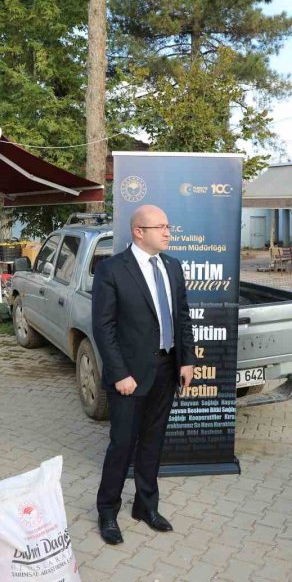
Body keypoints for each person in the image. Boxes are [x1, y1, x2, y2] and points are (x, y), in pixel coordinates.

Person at [92, 204, 195, 545]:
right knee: (122, 445)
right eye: (160, 227)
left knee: (153, 443)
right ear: (139, 231)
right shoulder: (111, 269)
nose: (168, 232)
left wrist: (187, 360)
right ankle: (107, 511)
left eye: (168, 226)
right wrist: (120, 373)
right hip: (130, 377)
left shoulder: (172, 267)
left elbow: (182, 317)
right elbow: (103, 327)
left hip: (166, 370)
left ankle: (145, 506)